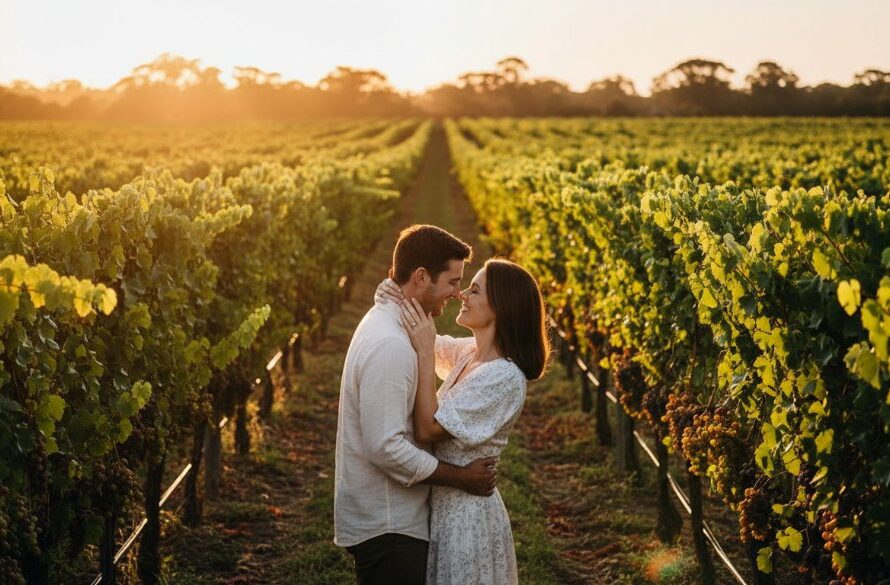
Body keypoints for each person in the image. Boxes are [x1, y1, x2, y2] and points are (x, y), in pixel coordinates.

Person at [334, 224, 499, 585]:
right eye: (453, 281)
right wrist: (460, 477)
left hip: (390, 519)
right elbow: (386, 446)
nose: (457, 293)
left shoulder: (391, 320)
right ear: (422, 277)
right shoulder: (391, 343)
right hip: (389, 525)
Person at [376, 257, 549, 585]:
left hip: (468, 518)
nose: (462, 295)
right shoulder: (472, 354)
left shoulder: (504, 376)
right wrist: (398, 292)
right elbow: (423, 335)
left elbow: (428, 427)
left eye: (474, 289)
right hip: (445, 507)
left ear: (501, 306)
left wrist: (427, 355)